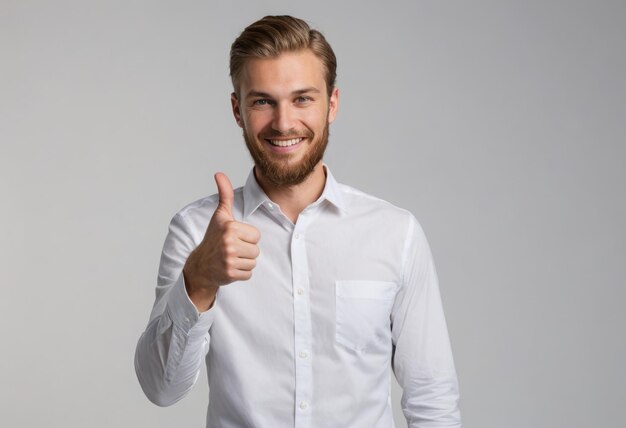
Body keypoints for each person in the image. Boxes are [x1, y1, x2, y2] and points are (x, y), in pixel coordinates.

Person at [135, 15, 461, 428]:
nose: (284, 122)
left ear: (333, 104)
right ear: (238, 110)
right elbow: (160, 389)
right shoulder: (197, 231)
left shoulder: (396, 234)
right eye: (262, 101)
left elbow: (432, 397)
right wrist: (198, 282)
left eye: (302, 98)